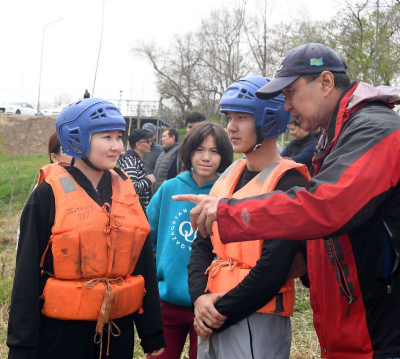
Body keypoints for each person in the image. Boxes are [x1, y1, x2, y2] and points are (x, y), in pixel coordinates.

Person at [174, 43, 400, 358]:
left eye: (291, 92)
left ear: (325, 82)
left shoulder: (375, 129)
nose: (286, 104)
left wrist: (231, 214)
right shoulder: (334, 137)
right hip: (353, 330)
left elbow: (325, 207)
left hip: (381, 333)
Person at [7, 98, 166, 359]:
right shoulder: (47, 195)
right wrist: (21, 346)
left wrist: (151, 332)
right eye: (107, 137)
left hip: (117, 333)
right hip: (62, 335)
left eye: (119, 137)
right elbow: (26, 274)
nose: (117, 147)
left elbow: (142, 261)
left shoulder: (125, 190)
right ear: (77, 139)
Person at [186, 77, 310, 359]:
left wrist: (218, 311)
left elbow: (273, 268)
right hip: (213, 313)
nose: (230, 127)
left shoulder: (288, 181)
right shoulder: (230, 173)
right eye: (229, 117)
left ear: (269, 120)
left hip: (256, 316)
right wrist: (199, 299)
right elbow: (202, 244)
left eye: (241, 117)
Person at [147, 122, 233, 359]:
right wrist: (158, 274)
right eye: (199, 150)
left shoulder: (227, 194)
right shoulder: (169, 189)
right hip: (166, 300)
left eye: (214, 151)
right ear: (188, 152)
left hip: (209, 303)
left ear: (224, 156)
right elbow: (147, 238)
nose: (206, 158)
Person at [117, 129, 155, 210]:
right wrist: (148, 181)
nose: (150, 143)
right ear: (138, 145)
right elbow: (131, 188)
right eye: (147, 141)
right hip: (134, 211)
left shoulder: (135, 160)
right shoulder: (130, 162)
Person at [167, 112, 207, 180]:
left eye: (196, 127)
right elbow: (172, 173)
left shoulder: (212, 146)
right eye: (189, 127)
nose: (192, 130)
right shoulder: (181, 149)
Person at [153, 128, 179, 193]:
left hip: (168, 193)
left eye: (164, 136)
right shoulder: (163, 153)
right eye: (162, 137)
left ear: (173, 137)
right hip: (158, 193)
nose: (162, 139)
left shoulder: (178, 152)